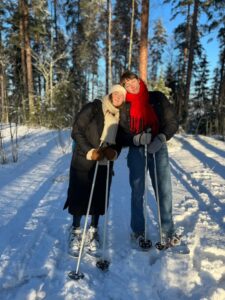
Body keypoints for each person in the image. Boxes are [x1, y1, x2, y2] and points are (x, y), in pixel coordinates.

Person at [117, 71, 179, 248]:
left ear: (139, 80)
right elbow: (120, 135)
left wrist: (161, 138)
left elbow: (172, 122)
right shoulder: (124, 105)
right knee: (138, 191)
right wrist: (135, 139)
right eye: (127, 85)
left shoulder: (156, 98)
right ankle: (138, 231)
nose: (132, 86)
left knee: (163, 189)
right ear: (124, 87)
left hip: (158, 148)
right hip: (137, 150)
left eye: (134, 81)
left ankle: (168, 231)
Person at [64, 85, 126, 256]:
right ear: (111, 93)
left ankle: (93, 230)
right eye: (116, 93)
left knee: (99, 196)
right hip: (84, 158)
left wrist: (114, 152)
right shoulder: (94, 107)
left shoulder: (121, 116)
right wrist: (90, 151)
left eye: (122, 95)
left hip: (105, 161)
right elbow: (76, 130)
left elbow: (119, 141)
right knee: (79, 195)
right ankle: (76, 230)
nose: (118, 97)